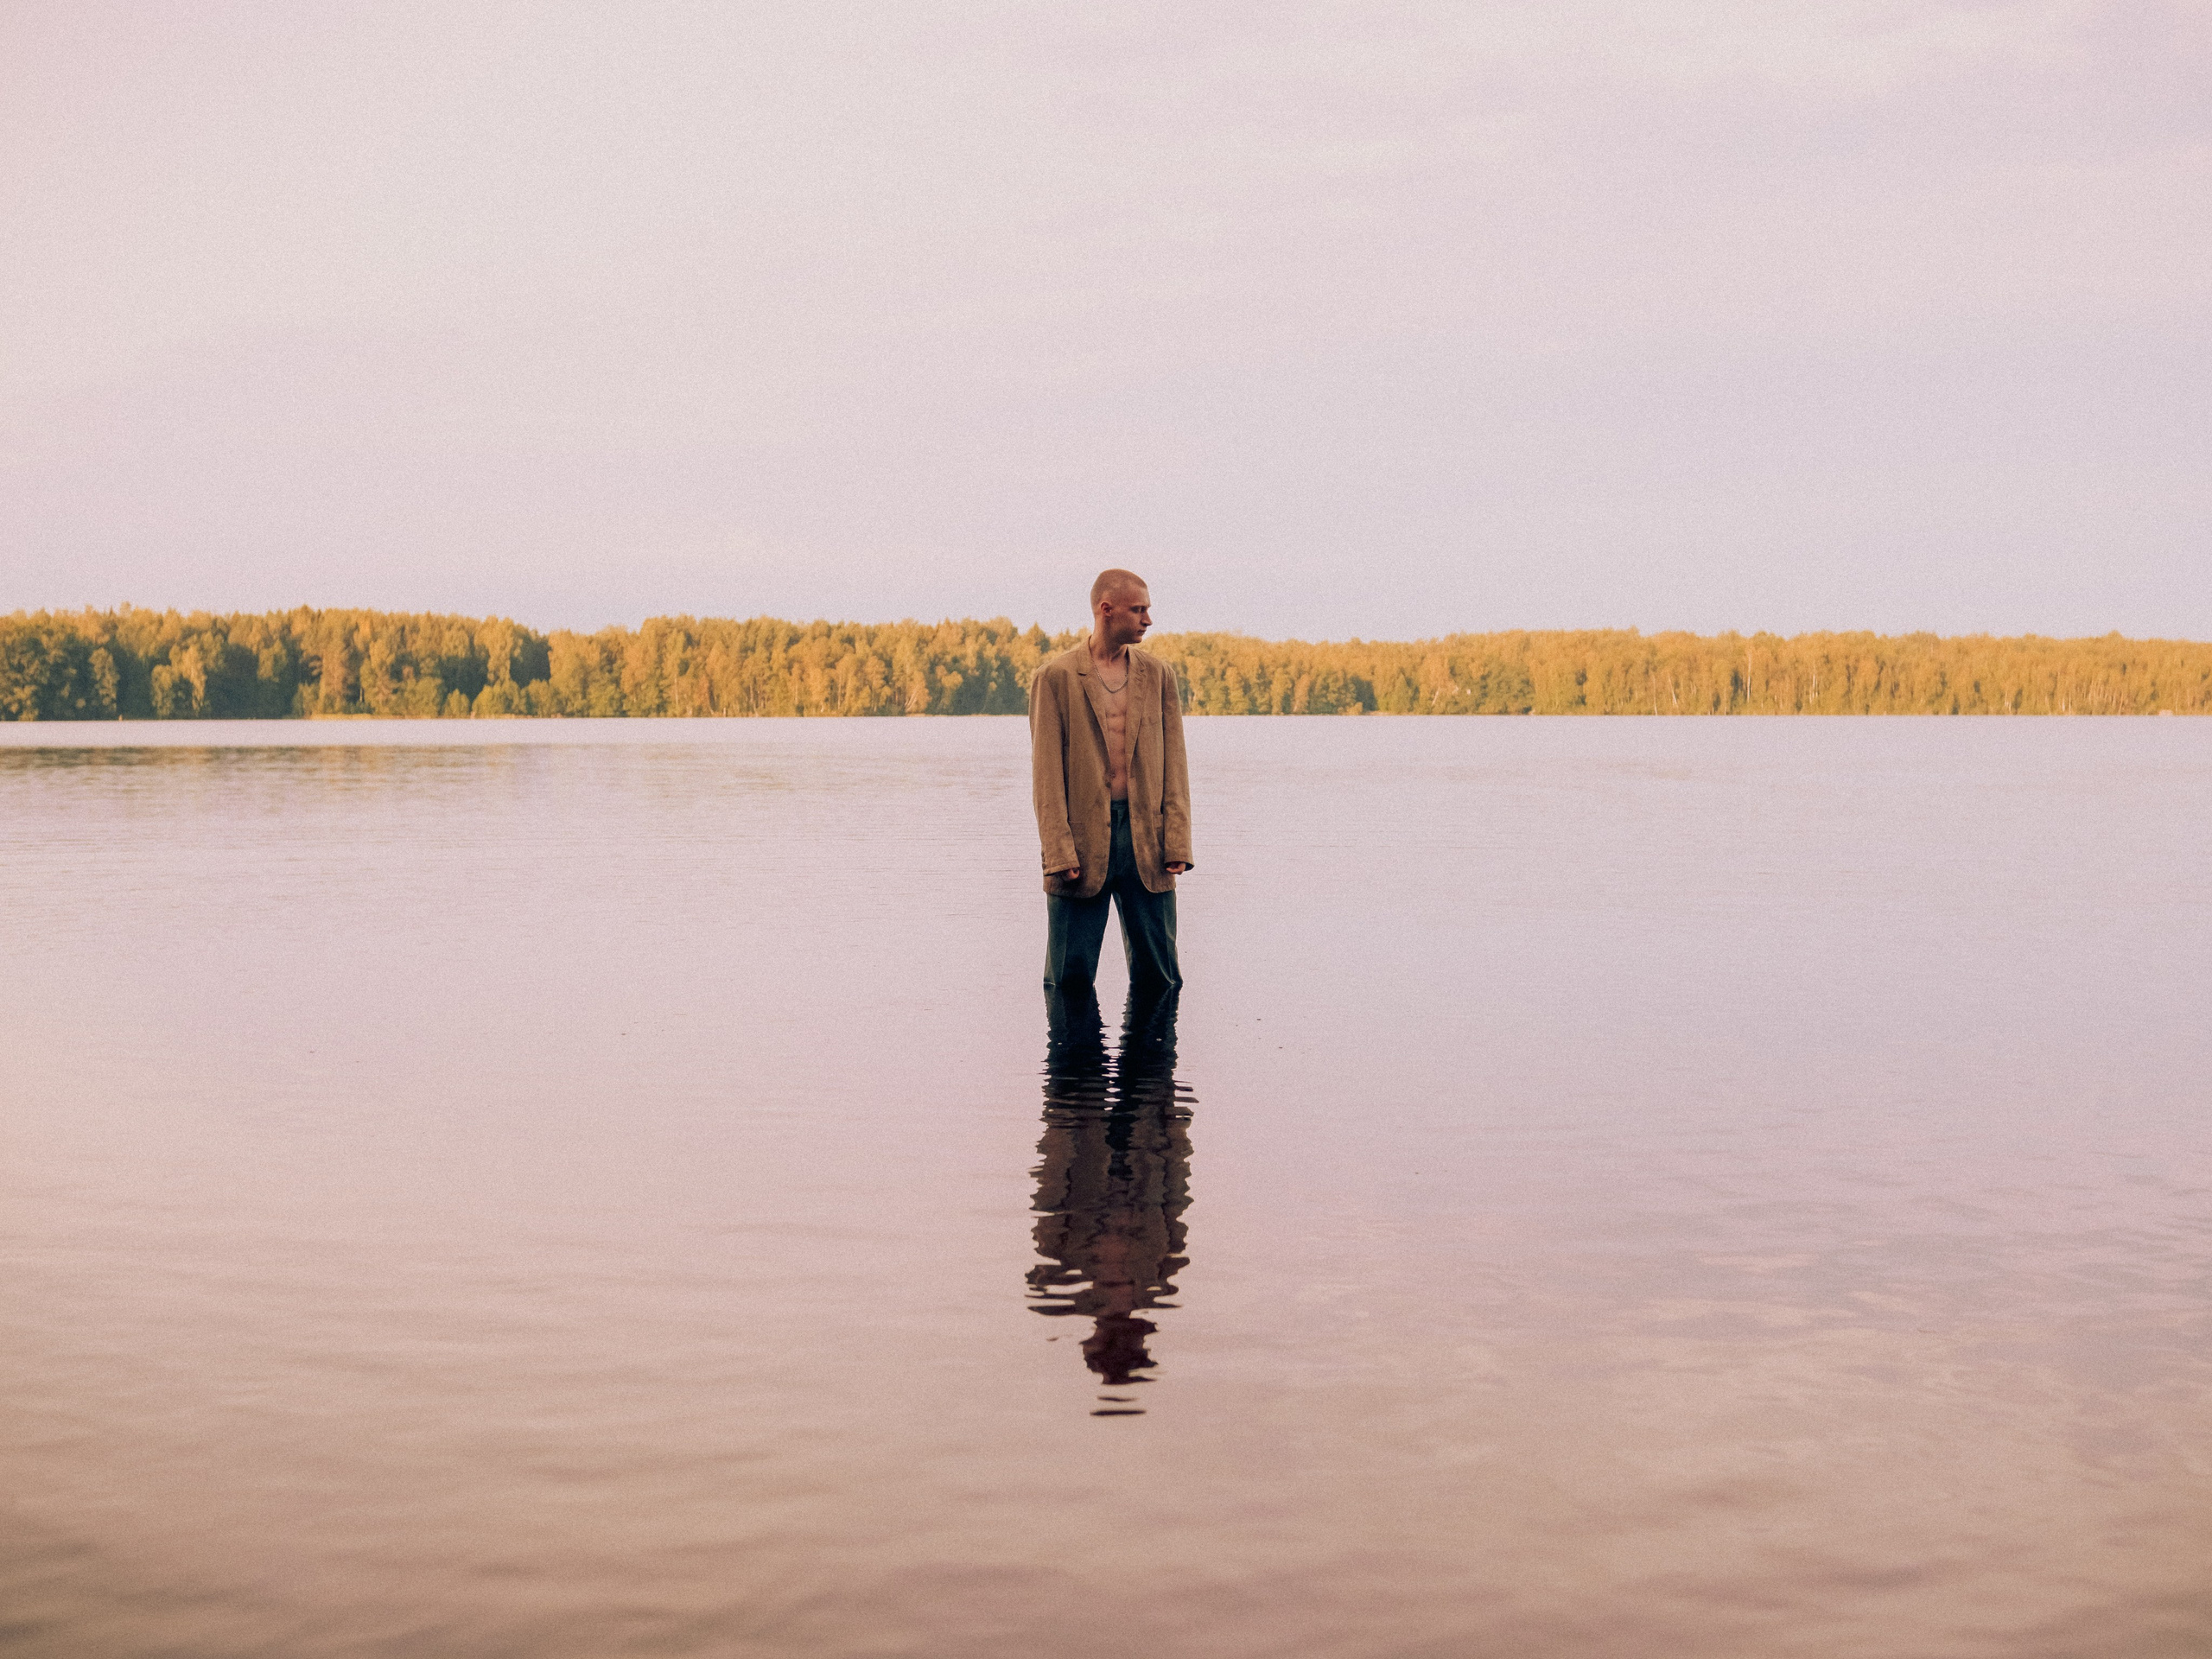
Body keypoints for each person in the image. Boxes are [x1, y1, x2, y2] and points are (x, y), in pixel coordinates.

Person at [1029, 569, 1194, 990]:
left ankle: (1154, 1058)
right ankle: (1070, 1057)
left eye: (1147, 610)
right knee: (1068, 978)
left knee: (1161, 978)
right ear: (1106, 610)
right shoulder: (1056, 678)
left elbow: (1175, 764)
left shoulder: (1159, 676)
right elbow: (1046, 778)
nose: (1148, 620)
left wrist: (1177, 841)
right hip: (1080, 847)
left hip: (1148, 842)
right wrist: (1057, 851)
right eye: (1138, 610)